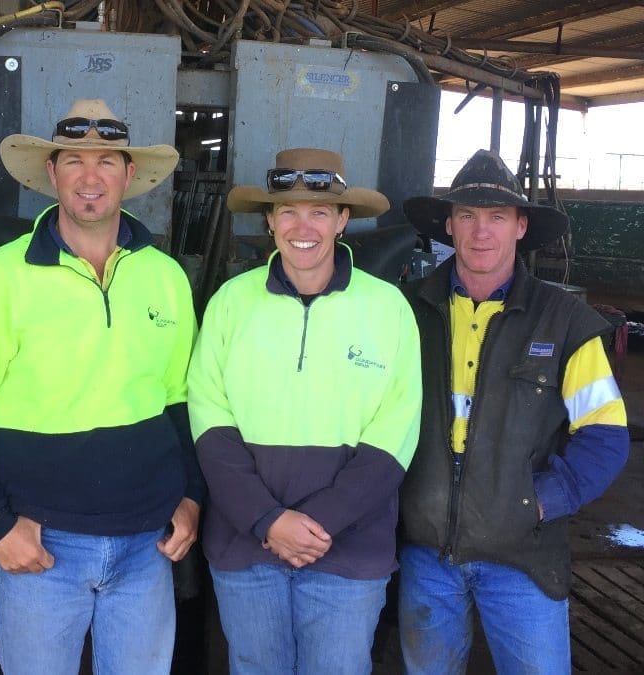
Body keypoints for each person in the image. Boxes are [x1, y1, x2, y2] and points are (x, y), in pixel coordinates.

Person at [0, 98, 205, 674]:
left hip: (145, 546)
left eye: (107, 162)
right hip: (41, 547)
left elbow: (180, 401)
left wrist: (192, 495)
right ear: (51, 174)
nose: (90, 178)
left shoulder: (166, 277)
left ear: (130, 175)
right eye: (74, 160)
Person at [187, 147, 422, 674]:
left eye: (319, 211)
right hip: (247, 547)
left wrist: (319, 523)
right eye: (287, 211)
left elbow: (397, 431)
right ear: (268, 221)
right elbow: (208, 419)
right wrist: (268, 520)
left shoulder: (388, 308)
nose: (302, 226)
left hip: (349, 549)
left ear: (343, 220)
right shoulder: (230, 301)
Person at [398, 149, 629, 673]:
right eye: (468, 216)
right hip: (426, 552)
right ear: (449, 226)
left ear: (521, 227)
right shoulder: (406, 311)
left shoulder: (563, 319)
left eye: (497, 218)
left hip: (524, 558)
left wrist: (543, 500)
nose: (482, 232)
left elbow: (606, 434)